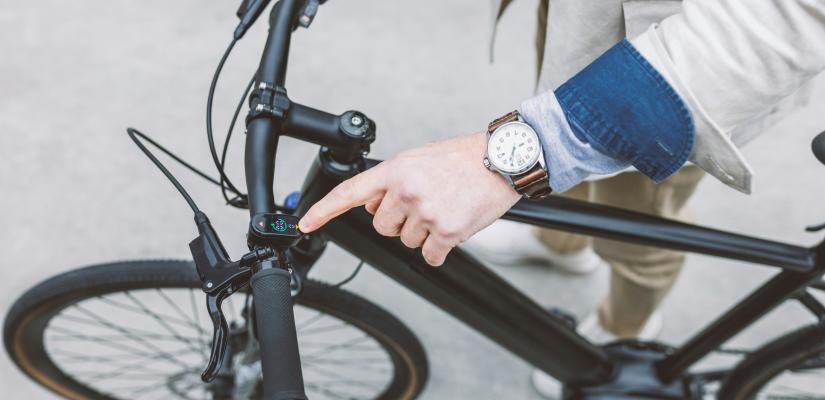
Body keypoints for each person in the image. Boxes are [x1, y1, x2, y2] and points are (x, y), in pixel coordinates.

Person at [298, 0, 825, 397]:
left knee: (636, 216)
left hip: (673, 61)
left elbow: (784, 14)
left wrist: (522, 153)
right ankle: (560, 244)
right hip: (583, 16)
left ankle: (627, 326)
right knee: (564, 144)